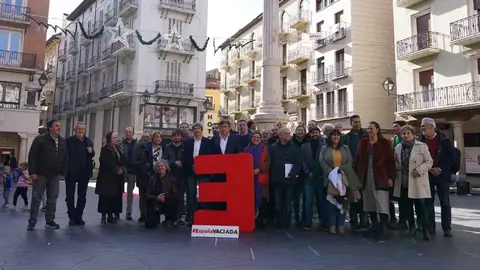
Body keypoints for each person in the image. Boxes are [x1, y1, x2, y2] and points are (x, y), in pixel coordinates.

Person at [354, 121, 396, 240]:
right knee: (369, 201)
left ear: (377, 129)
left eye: (371, 128)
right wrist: (355, 176)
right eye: (368, 129)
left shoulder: (384, 143)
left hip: (381, 176)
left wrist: (390, 177)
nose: (369, 131)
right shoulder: (363, 142)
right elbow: (357, 158)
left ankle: (384, 226)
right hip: (366, 175)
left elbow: (390, 161)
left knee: (381, 201)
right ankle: (374, 225)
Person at [393, 125, 433, 241]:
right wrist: (396, 165)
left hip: (417, 181)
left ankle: (425, 229)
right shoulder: (398, 147)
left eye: (408, 133)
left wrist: (420, 170)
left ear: (413, 134)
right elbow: (396, 162)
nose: (405, 136)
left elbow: (429, 161)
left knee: (421, 207)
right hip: (404, 182)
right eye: (403, 134)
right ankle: (412, 228)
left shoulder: (421, 146)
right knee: (407, 208)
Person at [27, 119, 67, 230]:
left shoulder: (63, 141)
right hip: (40, 174)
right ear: (50, 128)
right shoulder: (40, 140)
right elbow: (32, 156)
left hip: (55, 175)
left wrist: (63, 172)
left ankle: (50, 221)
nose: (59, 128)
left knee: (52, 198)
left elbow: (65, 157)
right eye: (56, 126)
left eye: (60, 126)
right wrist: (32, 172)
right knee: (36, 197)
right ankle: (32, 222)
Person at [419, 117, 454, 238]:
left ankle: (447, 228)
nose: (422, 128)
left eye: (425, 126)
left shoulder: (444, 140)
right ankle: (431, 228)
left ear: (432, 127)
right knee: (429, 202)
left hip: (442, 175)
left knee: (445, 202)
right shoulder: (420, 141)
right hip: (427, 175)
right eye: (421, 126)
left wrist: (440, 169)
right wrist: (428, 169)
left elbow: (451, 157)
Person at [319, 129, 353, 234]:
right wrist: (332, 172)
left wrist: (342, 172)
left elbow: (350, 161)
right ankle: (332, 225)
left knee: (342, 202)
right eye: (334, 135)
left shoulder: (345, 148)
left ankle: (341, 224)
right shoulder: (324, 148)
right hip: (330, 178)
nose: (336, 137)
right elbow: (322, 161)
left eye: (338, 135)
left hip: (342, 178)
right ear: (330, 137)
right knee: (331, 203)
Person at [269, 127, 302, 229]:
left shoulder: (295, 148)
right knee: (278, 203)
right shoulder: (273, 147)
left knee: (288, 202)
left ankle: (287, 223)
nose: (288, 135)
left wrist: (292, 174)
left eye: (289, 133)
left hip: (290, 180)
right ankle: (278, 222)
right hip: (277, 180)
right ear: (280, 135)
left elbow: (298, 162)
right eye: (286, 133)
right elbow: (270, 162)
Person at [341, 115, 369, 231]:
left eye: (359, 121)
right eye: (355, 122)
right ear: (351, 123)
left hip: (364, 169)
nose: (357, 124)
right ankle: (353, 220)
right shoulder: (346, 138)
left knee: (364, 196)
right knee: (353, 196)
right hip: (351, 170)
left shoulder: (366, 135)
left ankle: (364, 221)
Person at [65, 122, 95, 225]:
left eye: (82, 129)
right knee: (70, 196)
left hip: (84, 172)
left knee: (82, 197)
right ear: (74, 130)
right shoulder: (69, 141)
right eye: (79, 129)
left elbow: (92, 154)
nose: (80, 131)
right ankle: (72, 216)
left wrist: (91, 151)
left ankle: (79, 216)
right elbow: (65, 155)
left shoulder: (88, 141)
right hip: (71, 172)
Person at [135, 131, 169, 223]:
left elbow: (168, 160)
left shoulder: (165, 148)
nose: (157, 139)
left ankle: (159, 215)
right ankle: (144, 214)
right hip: (146, 175)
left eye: (159, 137)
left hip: (160, 175)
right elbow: (141, 161)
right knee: (144, 195)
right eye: (156, 137)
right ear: (152, 138)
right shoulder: (145, 147)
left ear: (162, 139)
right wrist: (148, 167)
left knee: (159, 195)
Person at [183, 123, 213, 226]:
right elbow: (185, 157)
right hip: (190, 171)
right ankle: (191, 216)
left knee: (204, 194)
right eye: (195, 129)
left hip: (203, 172)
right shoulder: (188, 142)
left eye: (198, 129)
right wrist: (191, 165)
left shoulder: (208, 142)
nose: (196, 131)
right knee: (191, 194)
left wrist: (203, 167)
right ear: (193, 131)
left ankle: (205, 215)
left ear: (202, 130)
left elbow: (210, 157)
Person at [96, 131, 124, 224]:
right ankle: (104, 216)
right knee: (105, 196)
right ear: (109, 139)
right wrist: (116, 169)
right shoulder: (105, 149)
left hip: (116, 178)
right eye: (114, 138)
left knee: (114, 196)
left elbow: (122, 160)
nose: (116, 139)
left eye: (117, 138)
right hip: (107, 177)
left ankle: (111, 215)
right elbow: (105, 161)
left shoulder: (119, 148)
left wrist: (122, 168)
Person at [301, 126, 327, 230]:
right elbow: (302, 161)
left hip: (320, 177)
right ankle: (308, 221)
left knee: (321, 201)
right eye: (313, 133)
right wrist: (307, 172)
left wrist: (321, 172)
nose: (315, 134)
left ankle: (323, 221)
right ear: (309, 134)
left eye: (317, 132)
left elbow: (325, 160)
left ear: (319, 134)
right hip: (308, 178)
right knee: (308, 201)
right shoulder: (304, 146)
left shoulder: (324, 146)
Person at [244, 131, 270, 229]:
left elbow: (268, 161)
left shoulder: (264, 148)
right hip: (249, 177)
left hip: (261, 177)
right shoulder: (246, 149)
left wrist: (259, 169)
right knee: (250, 199)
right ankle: (251, 218)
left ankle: (261, 219)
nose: (256, 139)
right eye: (254, 137)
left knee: (261, 199)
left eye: (258, 137)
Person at [145, 160, 179, 228]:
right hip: (156, 201)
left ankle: (170, 219)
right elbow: (147, 194)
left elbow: (175, 195)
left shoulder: (172, 180)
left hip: (167, 201)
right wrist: (156, 197)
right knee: (149, 224)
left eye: (162, 166)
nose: (160, 168)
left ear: (166, 167)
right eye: (158, 167)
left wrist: (165, 198)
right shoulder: (152, 179)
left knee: (173, 201)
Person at [390, 120, 407, 230]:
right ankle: (400, 220)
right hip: (396, 173)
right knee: (398, 198)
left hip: (405, 174)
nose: (394, 128)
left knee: (405, 199)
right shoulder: (393, 140)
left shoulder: (405, 139)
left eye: (396, 126)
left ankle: (404, 220)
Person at [167, 129, 186, 225]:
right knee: (170, 196)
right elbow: (165, 160)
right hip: (171, 175)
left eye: (178, 136)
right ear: (172, 137)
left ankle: (180, 216)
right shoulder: (168, 147)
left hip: (182, 175)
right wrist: (173, 163)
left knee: (180, 196)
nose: (177, 138)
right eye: (175, 136)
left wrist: (183, 163)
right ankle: (170, 217)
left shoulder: (185, 147)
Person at [119, 127, 139, 221]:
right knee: (119, 191)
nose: (128, 134)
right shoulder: (120, 144)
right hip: (123, 170)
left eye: (130, 132)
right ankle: (117, 211)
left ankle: (128, 212)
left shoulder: (137, 144)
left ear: (133, 133)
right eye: (127, 132)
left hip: (133, 170)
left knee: (130, 192)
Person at [292, 125, 309, 227]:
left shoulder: (308, 141)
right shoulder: (291, 142)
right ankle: (297, 217)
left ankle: (304, 218)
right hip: (294, 171)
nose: (300, 132)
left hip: (305, 173)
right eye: (298, 130)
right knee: (296, 197)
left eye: (302, 130)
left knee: (305, 197)